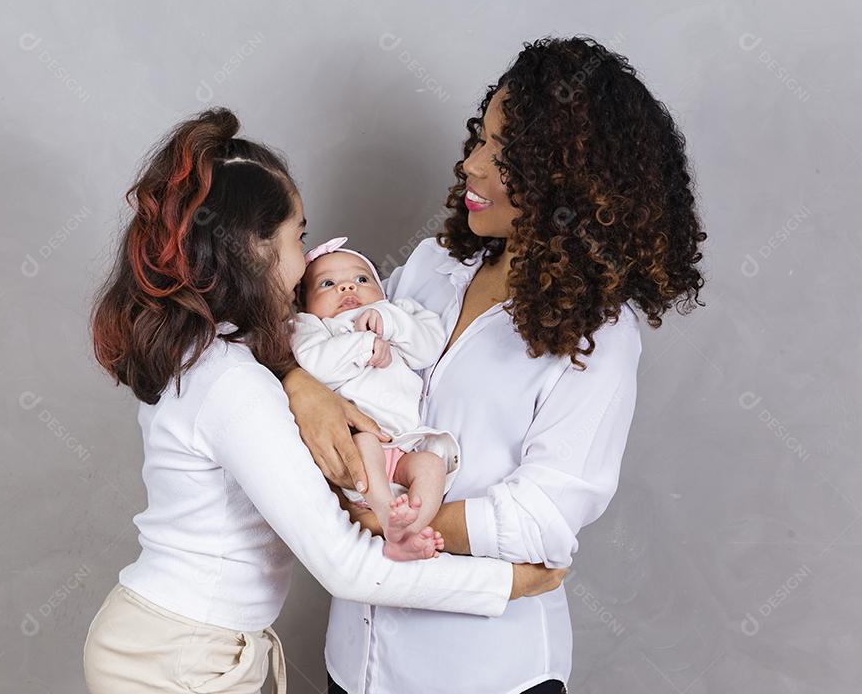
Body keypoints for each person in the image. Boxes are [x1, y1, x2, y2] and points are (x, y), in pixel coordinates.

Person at [82, 107, 568, 694]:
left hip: (176, 641)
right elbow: (345, 565)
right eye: (300, 236)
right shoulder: (234, 384)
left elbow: (279, 362)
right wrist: (510, 584)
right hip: (175, 658)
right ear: (256, 251)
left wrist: (301, 380)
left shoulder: (212, 352)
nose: (307, 258)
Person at [281, 36, 707, 693]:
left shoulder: (600, 334)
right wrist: (300, 385)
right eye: (479, 138)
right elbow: (329, 349)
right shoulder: (431, 267)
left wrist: (386, 521)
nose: (472, 166)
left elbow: (546, 520)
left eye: (501, 154)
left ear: (569, 178)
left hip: (481, 672)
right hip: (356, 660)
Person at [292, 236, 461, 561]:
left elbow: (429, 347)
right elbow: (315, 365)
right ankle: (387, 518)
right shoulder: (313, 327)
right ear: (306, 304)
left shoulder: (398, 313)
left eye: (361, 279)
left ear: (382, 291)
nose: (347, 289)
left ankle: (408, 531)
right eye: (328, 284)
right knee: (367, 441)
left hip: (404, 445)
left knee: (431, 465)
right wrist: (364, 344)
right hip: (355, 448)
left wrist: (392, 324)